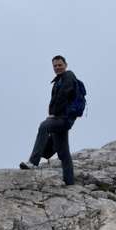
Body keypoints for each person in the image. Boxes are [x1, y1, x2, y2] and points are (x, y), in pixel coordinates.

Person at [19, 55, 78, 185]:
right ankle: (69, 181)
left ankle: (33, 162)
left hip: (63, 118)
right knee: (63, 152)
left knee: (44, 126)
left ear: (66, 65)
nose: (57, 67)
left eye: (60, 65)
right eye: (55, 66)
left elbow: (63, 96)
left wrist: (54, 114)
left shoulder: (68, 77)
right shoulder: (59, 80)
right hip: (62, 119)